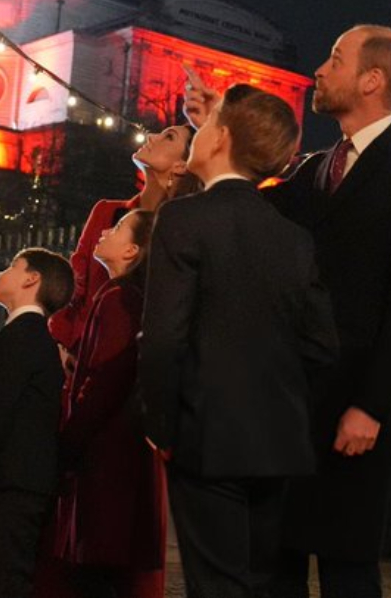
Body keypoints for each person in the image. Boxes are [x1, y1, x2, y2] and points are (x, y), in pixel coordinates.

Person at [259, 25, 391, 597]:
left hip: (353, 410)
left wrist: (370, 405)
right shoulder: (313, 169)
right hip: (292, 405)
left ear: (372, 79)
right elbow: (242, 205)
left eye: (336, 58)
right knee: (277, 563)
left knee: (347, 569)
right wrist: (213, 129)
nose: (320, 69)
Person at [138, 84, 339, 598]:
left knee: (215, 583)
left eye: (206, 125)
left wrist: (162, 426)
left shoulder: (184, 219)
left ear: (221, 137)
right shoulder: (292, 237)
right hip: (279, 440)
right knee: (259, 582)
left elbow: (163, 338)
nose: (197, 133)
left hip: (205, 435)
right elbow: (321, 345)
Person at [42, 209, 165, 598]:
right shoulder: (127, 295)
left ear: (131, 250)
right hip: (119, 453)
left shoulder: (117, 297)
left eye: (117, 228)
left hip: (106, 459)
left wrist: (70, 440)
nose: (105, 232)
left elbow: (103, 380)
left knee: (96, 573)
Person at [0, 247, 75, 598]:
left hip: (20, 476)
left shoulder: (21, 335)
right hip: (29, 477)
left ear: (31, 278)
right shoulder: (35, 336)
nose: (2, 273)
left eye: (13, 266)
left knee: (10, 579)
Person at [48, 124, 196, 369]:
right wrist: (62, 342)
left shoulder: (180, 230)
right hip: (79, 356)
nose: (150, 135)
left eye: (169, 137)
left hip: (138, 365)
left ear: (181, 165)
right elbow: (77, 283)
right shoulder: (107, 212)